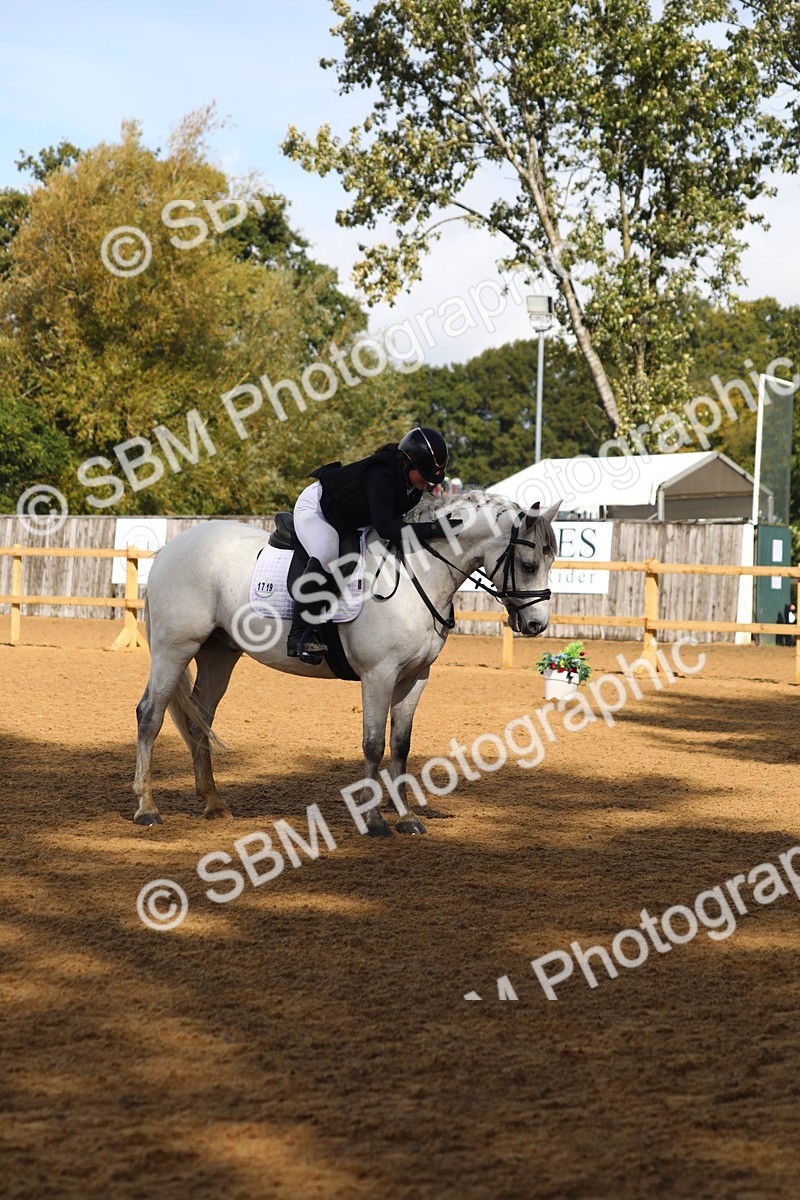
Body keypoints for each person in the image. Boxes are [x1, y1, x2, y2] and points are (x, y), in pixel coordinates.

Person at [287, 427, 461, 663]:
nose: (427, 483)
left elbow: (397, 523)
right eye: (423, 475)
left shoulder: (412, 488)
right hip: (318, 509)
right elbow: (386, 528)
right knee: (327, 553)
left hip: (350, 520)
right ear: (408, 463)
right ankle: (298, 635)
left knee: (355, 561)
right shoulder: (383, 475)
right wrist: (433, 529)